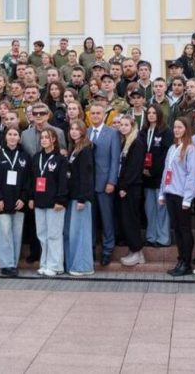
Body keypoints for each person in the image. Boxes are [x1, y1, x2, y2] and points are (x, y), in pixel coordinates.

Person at [0, 127, 29, 276]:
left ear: (19, 138)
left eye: (15, 134)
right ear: (5, 137)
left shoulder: (24, 156)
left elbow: (28, 180)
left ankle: (14, 263)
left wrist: (23, 198)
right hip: (1, 202)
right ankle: (6, 264)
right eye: (9, 134)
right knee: (3, 233)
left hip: (18, 202)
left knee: (16, 234)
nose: (12, 137)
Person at [160, 118, 195, 277]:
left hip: (182, 195)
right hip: (170, 193)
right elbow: (165, 172)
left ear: (186, 129)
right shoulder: (172, 148)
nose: (176, 130)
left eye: (180, 127)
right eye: (175, 127)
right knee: (176, 229)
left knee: (185, 229)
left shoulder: (190, 149)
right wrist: (162, 192)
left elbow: (192, 175)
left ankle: (186, 262)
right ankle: (180, 259)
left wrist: (188, 198)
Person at [86, 103, 122, 266]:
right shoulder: (86, 132)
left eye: (98, 113)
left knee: (107, 219)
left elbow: (115, 160)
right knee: (89, 220)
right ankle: (91, 248)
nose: (95, 116)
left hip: (105, 183)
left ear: (104, 115)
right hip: (88, 184)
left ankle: (107, 250)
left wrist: (111, 181)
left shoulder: (112, 133)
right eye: (92, 113)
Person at [30, 127, 68, 277]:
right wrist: (32, 198)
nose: (44, 139)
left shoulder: (60, 159)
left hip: (55, 203)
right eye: (42, 137)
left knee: (54, 235)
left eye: (47, 137)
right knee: (42, 234)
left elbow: (63, 182)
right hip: (39, 201)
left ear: (54, 140)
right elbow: (32, 180)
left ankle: (56, 265)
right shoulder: (36, 157)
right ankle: (44, 263)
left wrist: (61, 199)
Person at [64, 121, 96, 276]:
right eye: (72, 129)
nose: (74, 131)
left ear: (83, 131)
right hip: (73, 196)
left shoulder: (85, 150)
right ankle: (74, 264)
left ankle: (83, 266)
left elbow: (86, 176)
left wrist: (83, 199)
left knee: (82, 233)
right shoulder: (74, 149)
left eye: (77, 129)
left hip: (81, 198)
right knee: (73, 233)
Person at [116, 115, 148, 267]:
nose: (122, 127)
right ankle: (136, 252)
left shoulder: (136, 142)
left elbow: (134, 168)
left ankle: (136, 251)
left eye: (126, 125)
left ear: (132, 126)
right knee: (127, 220)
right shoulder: (126, 141)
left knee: (131, 220)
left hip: (131, 188)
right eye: (121, 125)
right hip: (127, 187)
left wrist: (124, 187)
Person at [142, 105, 172, 249]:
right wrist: (143, 169)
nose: (151, 115)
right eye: (149, 112)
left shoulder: (166, 132)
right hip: (145, 177)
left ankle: (163, 238)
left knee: (161, 208)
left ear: (159, 114)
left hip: (159, 176)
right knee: (150, 208)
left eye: (154, 113)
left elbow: (165, 155)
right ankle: (151, 236)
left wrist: (152, 170)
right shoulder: (144, 131)